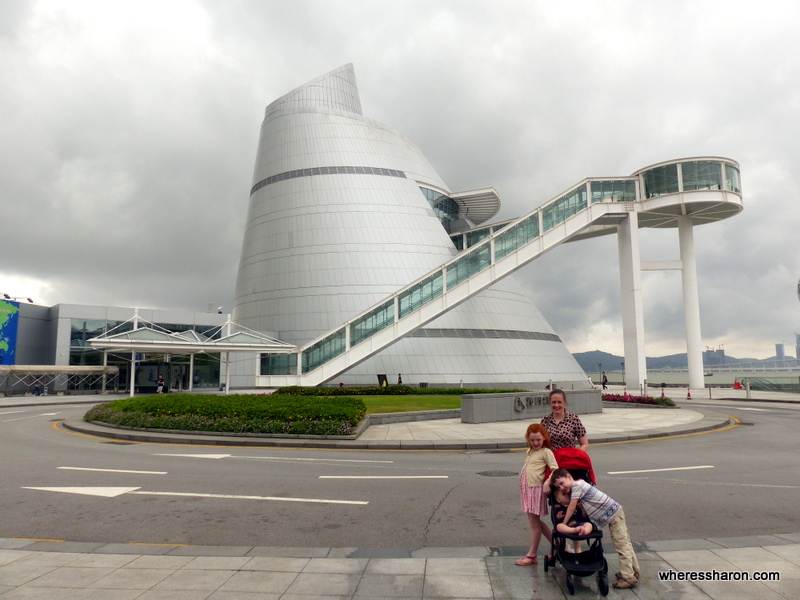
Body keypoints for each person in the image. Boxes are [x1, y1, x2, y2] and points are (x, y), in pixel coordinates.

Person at [548, 468, 640, 589]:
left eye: (562, 483)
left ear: (569, 477)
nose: (561, 488)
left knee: (621, 545)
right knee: (625, 543)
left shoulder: (577, 486)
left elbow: (571, 507)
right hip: (615, 514)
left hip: (614, 515)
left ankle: (628, 577)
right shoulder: (580, 486)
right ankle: (634, 571)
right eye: (558, 487)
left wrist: (564, 523)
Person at [515, 423, 559, 566]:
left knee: (534, 524)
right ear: (528, 439)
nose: (535, 443)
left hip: (535, 490)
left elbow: (555, 469)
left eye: (538, 440)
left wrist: (547, 483)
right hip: (528, 490)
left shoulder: (546, 452)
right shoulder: (530, 451)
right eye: (532, 440)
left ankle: (532, 555)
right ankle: (559, 545)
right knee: (536, 523)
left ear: (544, 439)